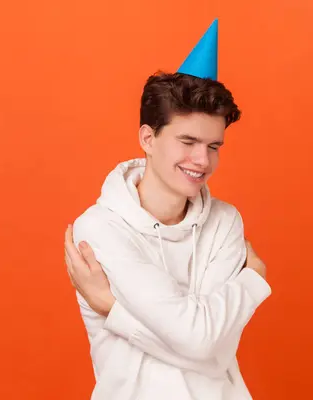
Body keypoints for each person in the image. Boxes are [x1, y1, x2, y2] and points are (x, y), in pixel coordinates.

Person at [63, 19, 271, 399]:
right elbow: (200, 342)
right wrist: (251, 283)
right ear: (148, 138)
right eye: (188, 141)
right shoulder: (100, 229)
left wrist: (113, 310)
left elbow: (212, 350)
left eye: (213, 146)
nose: (202, 160)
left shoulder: (225, 222)